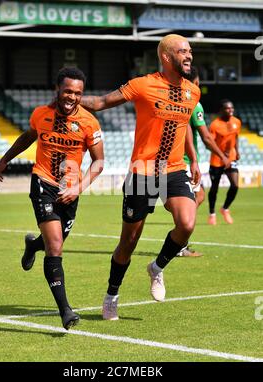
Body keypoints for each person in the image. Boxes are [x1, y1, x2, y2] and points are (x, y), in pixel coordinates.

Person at [81, 34, 201, 320]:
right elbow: (99, 103)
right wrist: (68, 99)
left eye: (190, 51)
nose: (189, 56)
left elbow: (183, 129)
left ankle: (157, 268)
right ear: (166, 56)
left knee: (186, 223)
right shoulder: (143, 84)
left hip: (173, 170)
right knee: (129, 242)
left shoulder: (192, 92)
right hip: (143, 172)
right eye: (183, 51)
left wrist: (194, 159)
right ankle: (112, 295)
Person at [0, 67, 104, 329]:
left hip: (70, 191)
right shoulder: (41, 115)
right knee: (55, 247)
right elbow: (28, 137)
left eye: (77, 93)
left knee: (55, 240)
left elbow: (99, 162)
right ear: (58, 89)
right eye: (68, 91)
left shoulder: (89, 123)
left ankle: (32, 245)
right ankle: (65, 310)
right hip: (43, 182)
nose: (72, 97)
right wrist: (3, 161)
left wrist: (78, 188)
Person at [177, 66, 231, 257]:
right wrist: (223, 156)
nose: (199, 88)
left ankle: (180, 239)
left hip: (174, 161)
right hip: (183, 162)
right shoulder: (194, 104)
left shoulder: (173, 101)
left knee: (197, 197)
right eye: (198, 84)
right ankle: (179, 243)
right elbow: (207, 138)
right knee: (194, 199)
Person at [207, 99, 241, 225]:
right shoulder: (215, 125)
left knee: (235, 185)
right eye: (227, 108)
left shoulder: (237, 122)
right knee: (214, 188)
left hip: (231, 157)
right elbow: (210, 143)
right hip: (217, 160)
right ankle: (212, 213)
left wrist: (237, 151)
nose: (230, 110)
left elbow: (236, 137)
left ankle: (225, 208)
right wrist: (221, 155)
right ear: (221, 110)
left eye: (232, 108)